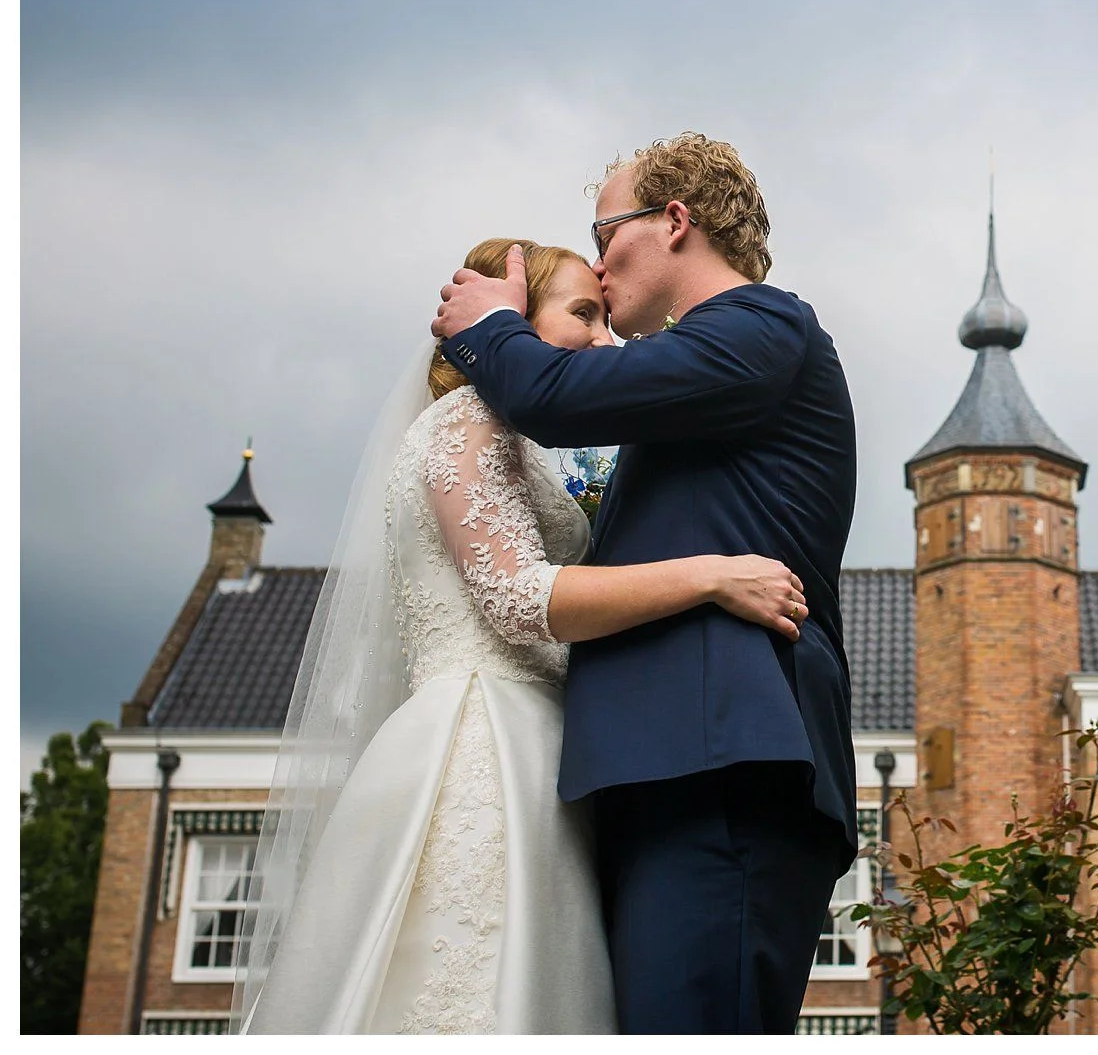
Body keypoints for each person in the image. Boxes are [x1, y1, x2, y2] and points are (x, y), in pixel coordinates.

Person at [235, 239, 809, 1034]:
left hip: (531, 737)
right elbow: (516, 595)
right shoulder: (470, 421)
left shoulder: (504, 436)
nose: (606, 339)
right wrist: (713, 575)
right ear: (513, 316)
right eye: (583, 314)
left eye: (606, 318)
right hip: (484, 741)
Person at [433, 134, 859, 1034]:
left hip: (725, 759)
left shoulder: (764, 326)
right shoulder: (697, 392)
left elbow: (553, 398)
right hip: (665, 761)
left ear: (674, 222)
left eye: (604, 232)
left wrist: (490, 325)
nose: (596, 260)